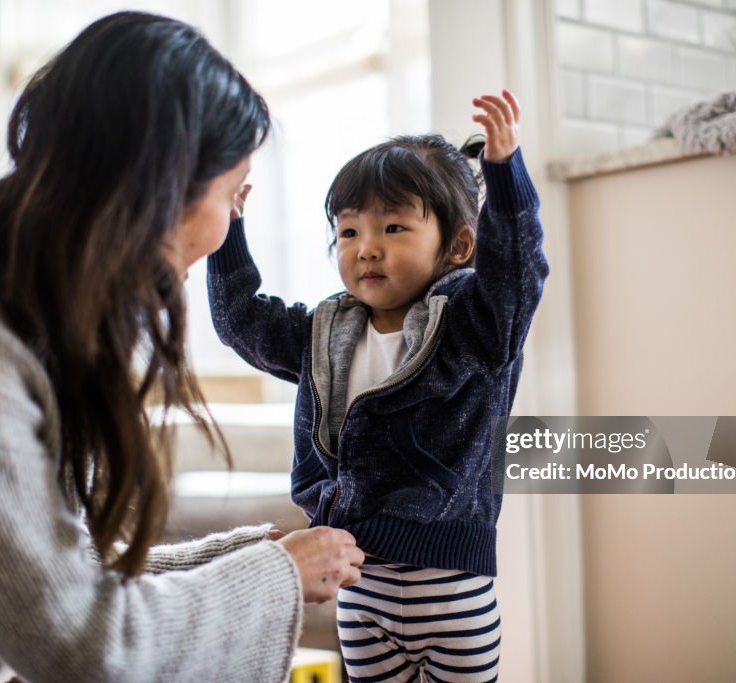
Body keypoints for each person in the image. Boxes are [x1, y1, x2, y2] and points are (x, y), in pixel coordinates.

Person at [0, 11, 363, 683]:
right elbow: (85, 642)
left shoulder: (21, 318)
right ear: (159, 188)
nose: (229, 227)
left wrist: (261, 557)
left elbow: (66, 578)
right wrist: (276, 576)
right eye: (234, 195)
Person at [208, 90, 549, 682]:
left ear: (460, 246)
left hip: (453, 593)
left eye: (393, 227)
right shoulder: (325, 331)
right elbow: (242, 322)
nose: (367, 247)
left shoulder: (474, 326)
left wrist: (506, 174)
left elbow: (518, 275)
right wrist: (228, 230)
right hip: (360, 592)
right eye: (348, 232)